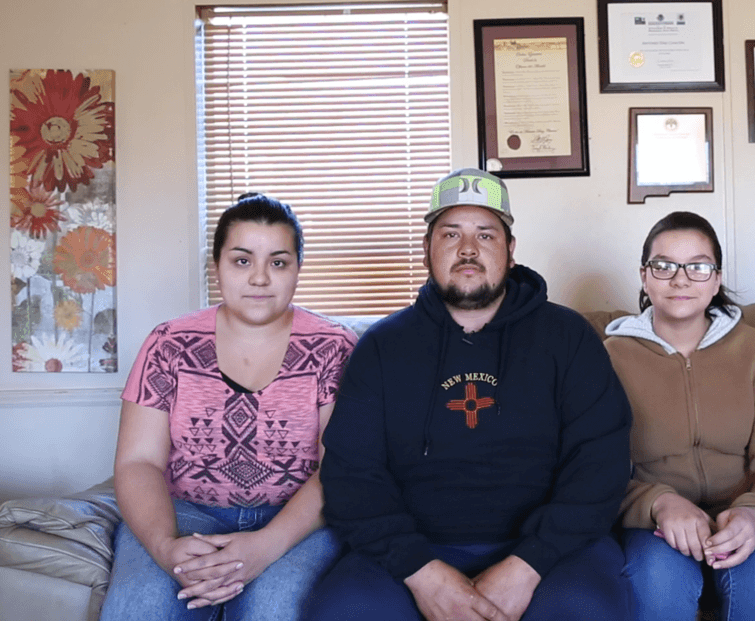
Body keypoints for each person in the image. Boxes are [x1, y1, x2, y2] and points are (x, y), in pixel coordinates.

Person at [306, 168, 633, 621]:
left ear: (510, 251)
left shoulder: (569, 337)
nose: (468, 249)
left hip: (553, 550)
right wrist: (421, 572)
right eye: (450, 234)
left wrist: (528, 565)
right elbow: (350, 475)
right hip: (412, 551)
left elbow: (602, 463)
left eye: (486, 234)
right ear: (426, 250)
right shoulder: (382, 346)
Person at [101, 194, 357, 620]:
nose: (259, 278)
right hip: (184, 512)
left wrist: (264, 547)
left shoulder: (335, 347)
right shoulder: (169, 345)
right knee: (140, 608)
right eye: (242, 261)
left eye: (278, 262)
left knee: (276, 609)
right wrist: (166, 547)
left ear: (298, 268)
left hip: (297, 520)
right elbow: (137, 462)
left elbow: (338, 470)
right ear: (216, 264)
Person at [604, 211, 755, 621]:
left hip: (745, 515)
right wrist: (657, 503)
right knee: (654, 589)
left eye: (697, 266)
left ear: (715, 280)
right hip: (656, 523)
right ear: (644, 277)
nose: (680, 279)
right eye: (663, 266)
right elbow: (596, 468)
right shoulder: (609, 357)